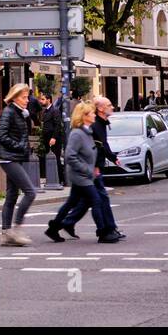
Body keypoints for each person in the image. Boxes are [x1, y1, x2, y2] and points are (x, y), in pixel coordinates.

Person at [62, 97, 124, 242]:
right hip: (90, 169)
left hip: (91, 168)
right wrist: (95, 166)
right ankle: (107, 229)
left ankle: (66, 223)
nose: (112, 107)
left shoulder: (101, 124)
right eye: (109, 105)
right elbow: (93, 147)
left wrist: (113, 158)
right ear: (100, 108)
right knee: (100, 198)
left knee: (83, 200)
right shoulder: (94, 126)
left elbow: (103, 144)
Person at [45, 101, 102, 244]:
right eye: (92, 113)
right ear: (84, 116)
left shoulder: (87, 132)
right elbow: (70, 156)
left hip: (84, 175)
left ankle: (55, 227)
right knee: (96, 200)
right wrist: (87, 169)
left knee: (72, 202)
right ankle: (103, 231)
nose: (94, 115)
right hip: (80, 176)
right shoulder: (77, 134)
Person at [0, 83, 37, 246]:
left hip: (14, 157)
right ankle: (16, 230)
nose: (27, 100)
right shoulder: (9, 112)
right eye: (24, 97)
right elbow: (1, 135)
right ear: (14, 97)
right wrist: (19, 146)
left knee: (12, 195)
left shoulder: (19, 113)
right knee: (30, 192)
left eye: (27, 97)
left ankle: (6, 234)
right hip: (8, 157)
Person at [38, 93, 66, 187]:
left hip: (54, 139)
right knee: (49, 159)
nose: (41, 101)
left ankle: (60, 180)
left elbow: (57, 125)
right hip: (47, 139)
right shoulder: (45, 111)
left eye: (43, 99)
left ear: (49, 99)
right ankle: (52, 179)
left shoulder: (55, 111)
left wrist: (53, 137)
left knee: (56, 159)